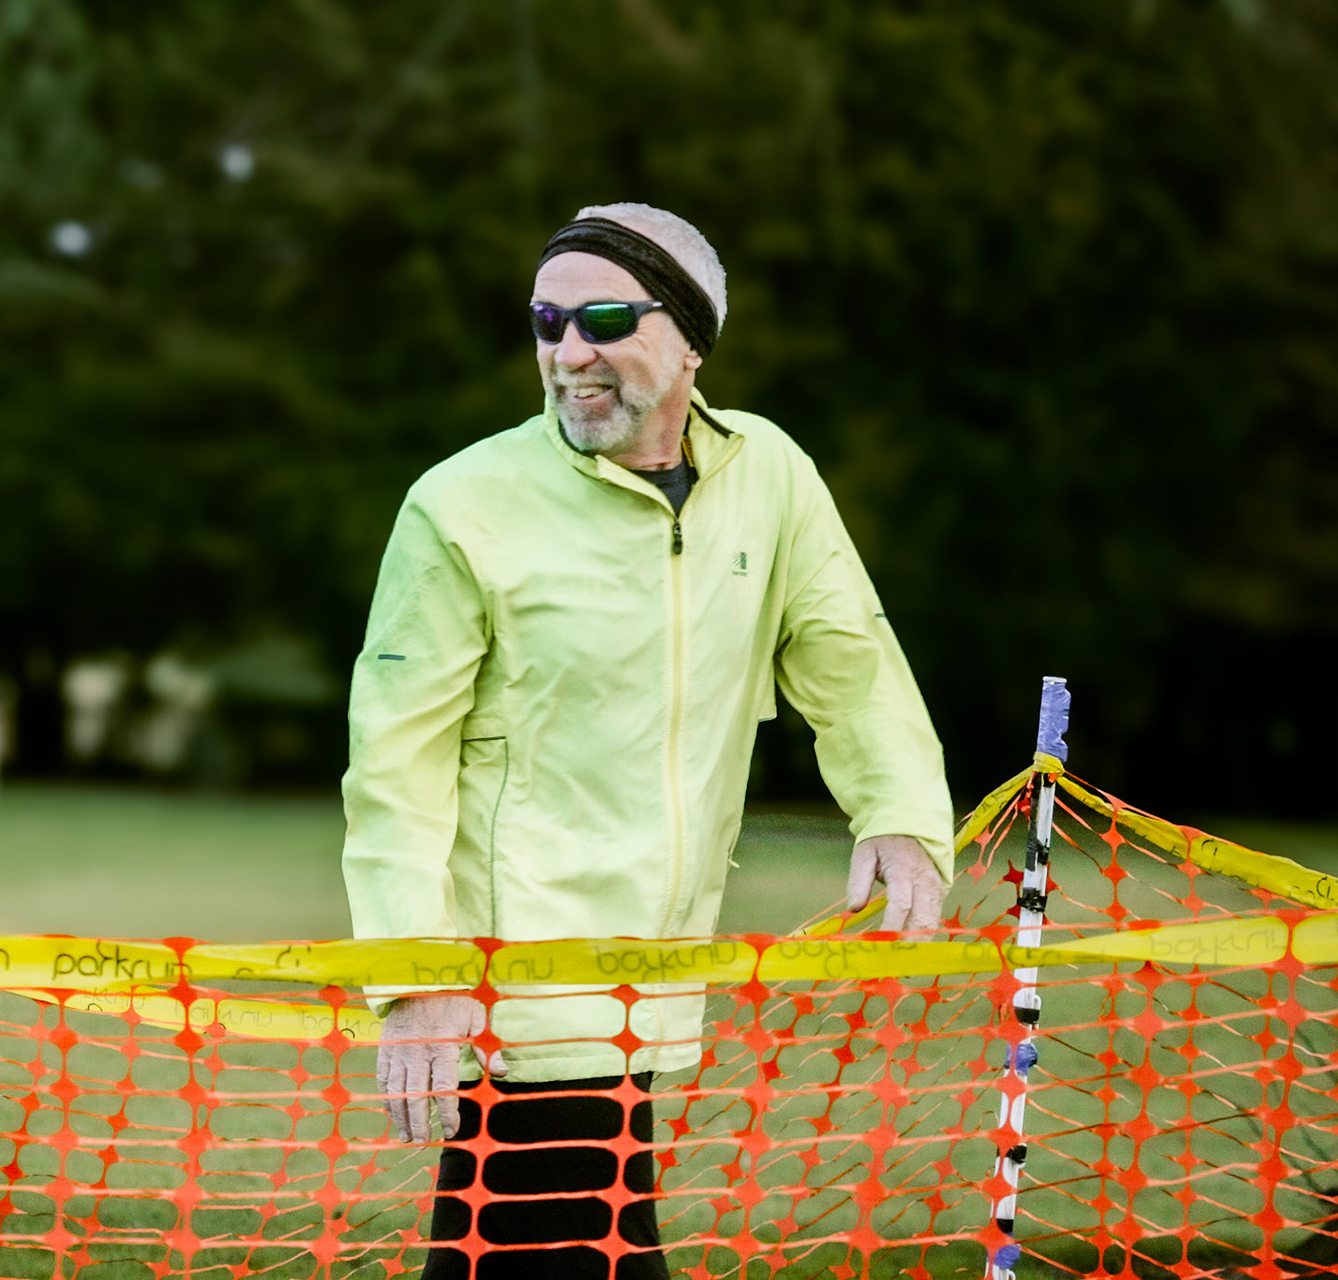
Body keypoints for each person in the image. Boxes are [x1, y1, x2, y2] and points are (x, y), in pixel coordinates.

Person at [340, 203, 953, 1278]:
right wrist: (416, 970)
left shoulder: (771, 475)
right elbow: (396, 760)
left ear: (690, 340)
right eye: (548, 322)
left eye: (606, 320)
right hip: (517, 989)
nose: (569, 352)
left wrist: (899, 815)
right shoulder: (459, 505)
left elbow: (850, 662)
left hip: (656, 982)